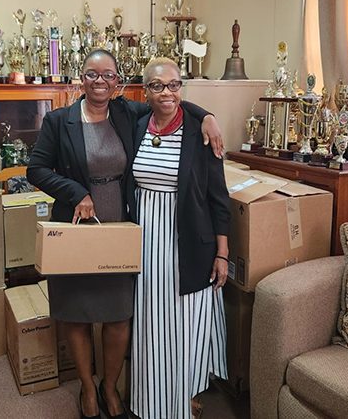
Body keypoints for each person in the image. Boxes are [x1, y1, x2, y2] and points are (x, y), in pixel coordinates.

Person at [27, 49, 223, 419]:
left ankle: (110, 386)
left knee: (119, 315)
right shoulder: (58, 120)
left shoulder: (127, 112)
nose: (100, 82)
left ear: (118, 82)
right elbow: (35, 169)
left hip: (120, 224)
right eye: (92, 74)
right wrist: (76, 193)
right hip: (77, 226)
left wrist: (207, 116)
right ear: (80, 79)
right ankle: (87, 388)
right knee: (77, 313)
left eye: (108, 75)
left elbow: (168, 99)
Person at [129, 58, 230, 419]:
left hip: (188, 245)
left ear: (181, 89)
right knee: (151, 326)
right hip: (145, 246)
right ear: (146, 92)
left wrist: (223, 253)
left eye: (174, 85)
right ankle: (150, 402)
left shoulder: (200, 132)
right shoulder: (137, 123)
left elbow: (219, 197)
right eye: (157, 85)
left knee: (185, 327)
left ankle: (181, 398)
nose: (166, 92)